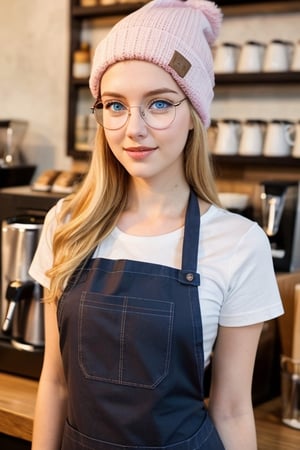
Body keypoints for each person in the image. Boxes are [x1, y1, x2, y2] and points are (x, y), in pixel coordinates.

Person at [29, 1, 283, 449]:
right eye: (115, 105)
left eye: (160, 104)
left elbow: (232, 409)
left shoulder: (240, 243)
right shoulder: (67, 223)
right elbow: (55, 384)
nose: (133, 130)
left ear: (195, 116)